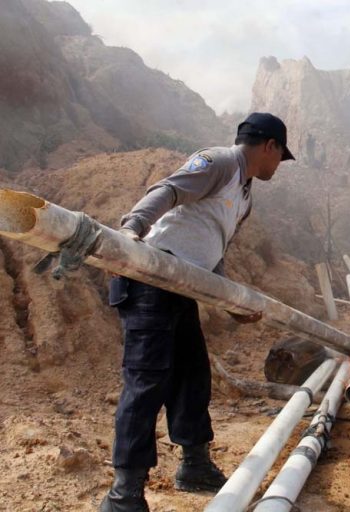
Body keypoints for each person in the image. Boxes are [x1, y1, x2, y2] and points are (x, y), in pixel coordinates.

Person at [99, 113, 294, 512]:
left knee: (193, 376)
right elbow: (168, 191)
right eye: (280, 156)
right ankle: (124, 494)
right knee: (147, 382)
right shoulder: (219, 162)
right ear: (269, 146)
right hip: (151, 277)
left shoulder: (244, 197)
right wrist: (131, 230)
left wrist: (230, 303)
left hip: (181, 286)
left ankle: (194, 466)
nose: (278, 165)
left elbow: (212, 254)